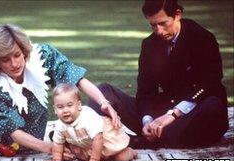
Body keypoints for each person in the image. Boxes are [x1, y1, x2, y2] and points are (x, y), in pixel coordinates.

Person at [0, 24, 121, 157]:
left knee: (26, 147)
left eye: (17, 55)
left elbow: (76, 78)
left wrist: (103, 102)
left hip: (27, 106)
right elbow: (12, 129)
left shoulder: (44, 56)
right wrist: (51, 148)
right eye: (6, 60)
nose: (14, 64)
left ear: (24, 51)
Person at [88, 0, 228, 148]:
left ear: (177, 15)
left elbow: (210, 82)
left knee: (212, 106)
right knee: (102, 92)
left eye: (163, 23)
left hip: (194, 109)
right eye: (153, 25)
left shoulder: (203, 38)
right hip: (162, 110)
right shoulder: (149, 44)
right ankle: (148, 137)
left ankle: (136, 142)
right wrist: (147, 120)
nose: (159, 31)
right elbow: (145, 91)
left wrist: (173, 114)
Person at [51, 83, 137, 161]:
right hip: (89, 146)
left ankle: (132, 152)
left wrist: (94, 159)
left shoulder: (87, 117)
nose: (65, 110)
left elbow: (98, 138)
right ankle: (99, 156)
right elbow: (57, 143)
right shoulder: (59, 124)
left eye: (69, 105)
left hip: (106, 141)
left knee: (122, 158)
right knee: (82, 157)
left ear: (79, 105)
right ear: (55, 109)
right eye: (60, 107)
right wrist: (57, 159)